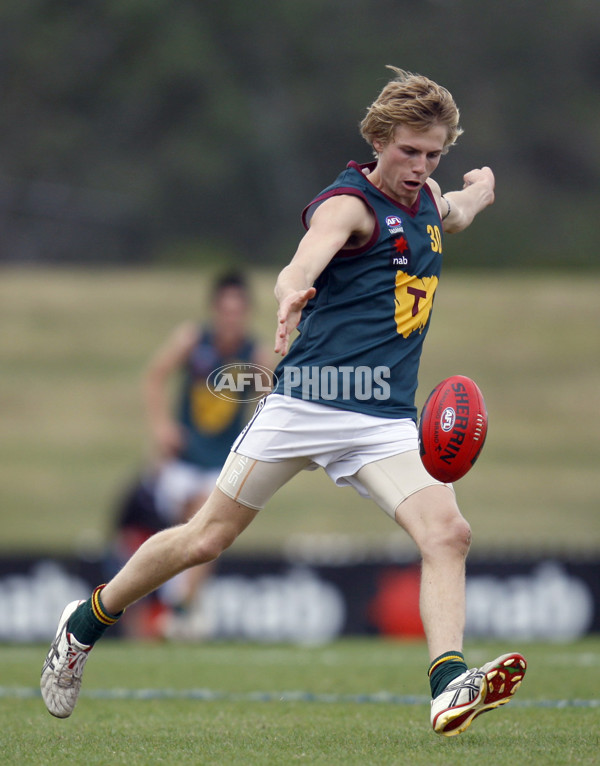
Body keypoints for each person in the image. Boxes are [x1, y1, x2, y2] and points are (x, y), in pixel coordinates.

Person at [41, 67, 526, 736]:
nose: (418, 167)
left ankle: (448, 685)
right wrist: (292, 289)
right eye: (408, 151)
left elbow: (456, 213)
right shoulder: (348, 204)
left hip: (382, 419)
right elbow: (305, 258)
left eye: (432, 155)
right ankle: (85, 621)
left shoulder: (427, 197)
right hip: (307, 402)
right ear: (380, 139)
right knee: (206, 538)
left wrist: (481, 190)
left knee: (450, 534)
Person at [112, 271, 272, 637]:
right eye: (225, 310)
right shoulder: (192, 340)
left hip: (221, 461)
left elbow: (269, 403)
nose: (231, 318)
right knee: (195, 520)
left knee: (209, 530)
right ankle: (178, 607)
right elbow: (155, 376)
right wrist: (161, 426)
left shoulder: (255, 354)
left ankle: (181, 609)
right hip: (183, 460)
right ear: (215, 311)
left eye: (238, 311)